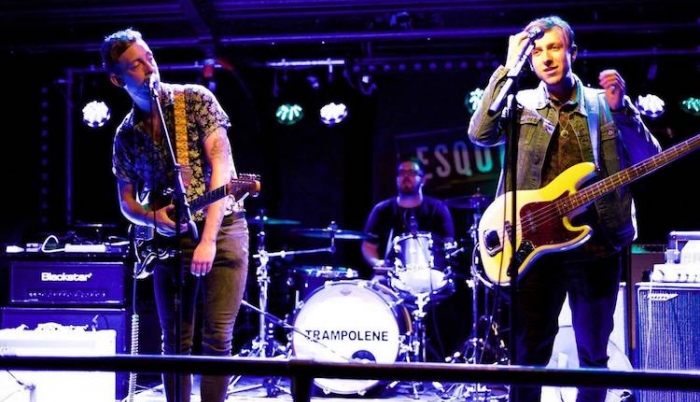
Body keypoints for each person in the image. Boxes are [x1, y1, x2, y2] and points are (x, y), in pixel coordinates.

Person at [467, 15, 662, 402]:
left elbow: (648, 158)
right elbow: (479, 134)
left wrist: (622, 111)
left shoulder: (603, 104)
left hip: (596, 247)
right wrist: (508, 66)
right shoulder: (520, 104)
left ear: (573, 52)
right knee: (529, 354)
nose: (546, 57)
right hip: (533, 248)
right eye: (537, 51)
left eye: (554, 47)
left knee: (593, 356)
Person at [101, 28, 250, 402]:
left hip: (222, 228)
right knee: (175, 341)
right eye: (136, 65)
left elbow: (222, 168)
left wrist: (208, 240)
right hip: (168, 242)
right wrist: (153, 219)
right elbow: (127, 203)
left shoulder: (195, 99)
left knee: (218, 338)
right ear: (117, 79)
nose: (149, 67)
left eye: (149, 57)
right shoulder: (125, 135)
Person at [361, 157, 462, 360]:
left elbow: (449, 244)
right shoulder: (382, 210)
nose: (405, 176)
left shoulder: (437, 209)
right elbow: (368, 246)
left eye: (411, 172)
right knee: (371, 293)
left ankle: (444, 358)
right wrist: (378, 263)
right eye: (401, 173)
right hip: (391, 277)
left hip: (431, 277)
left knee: (454, 296)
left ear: (422, 179)